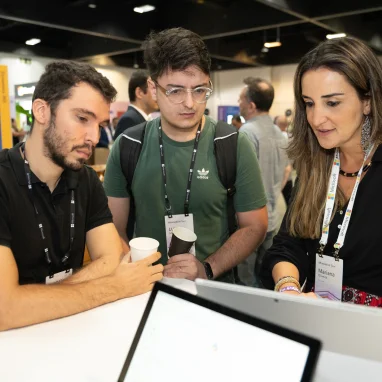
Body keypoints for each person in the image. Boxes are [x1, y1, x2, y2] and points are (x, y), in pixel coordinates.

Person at [0, 61, 163, 331]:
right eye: (82, 119)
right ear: (42, 111)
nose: (94, 136)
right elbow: (5, 309)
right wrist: (111, 287)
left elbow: (110, 259)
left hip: (74, 334)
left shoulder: (86, 180)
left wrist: (32, 298)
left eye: (99, 124)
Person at [104, 28, 268, 283]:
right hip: (147, 290)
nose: (190, 103)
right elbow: (114, 228)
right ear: (153, 88)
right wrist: (135, 270)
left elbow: (254, 225)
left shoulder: (232, 144)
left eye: (200, 90)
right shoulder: (128, 145)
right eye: (176, 91)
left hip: (213, 291)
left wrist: (207, 268)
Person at [260, 37, 382, 307]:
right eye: (309, 103)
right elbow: (286, 245)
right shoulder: (316, 166)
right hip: (318, 319)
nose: (315, 119)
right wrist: (288, 287)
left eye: (332, 103)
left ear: (368, 102)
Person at [237, 77, 291, 287]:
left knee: (245, 280)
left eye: (241, 98)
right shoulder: (280, 134)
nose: (238, 102)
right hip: (272, 216)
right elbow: (286, 173)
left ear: (251, 105)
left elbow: (242, 182)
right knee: (263, 276)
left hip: (250, 220)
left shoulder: (247, 133)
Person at [113, 70, 158, 140]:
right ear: (139, 93)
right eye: (154, 89)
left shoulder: (142, 119)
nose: (157, 94)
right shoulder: (129, 120)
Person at [275, 115, 293, 205]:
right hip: (288, 176)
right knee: (290, 203)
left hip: (275, 176)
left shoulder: (273, 139)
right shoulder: (292, 139)